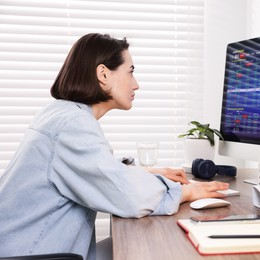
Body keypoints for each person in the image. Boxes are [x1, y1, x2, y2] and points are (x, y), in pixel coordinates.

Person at [0, 33, 229, 259]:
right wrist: (186, 192)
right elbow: (129, 197)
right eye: (130, 72)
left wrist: (142, 171)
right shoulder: (73, 124)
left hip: (31, 248)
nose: (136, 84)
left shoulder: (60, 113)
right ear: (103, 74)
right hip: (33, 254)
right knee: (157, 250)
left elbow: (90, 169)